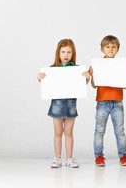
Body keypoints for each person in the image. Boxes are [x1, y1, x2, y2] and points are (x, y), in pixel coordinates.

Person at [38, 39, 90, 168]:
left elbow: (81, 86)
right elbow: (46, 85)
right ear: (58, 53)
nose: (66, 55)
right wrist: (40, 78)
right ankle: (57, 158)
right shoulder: (52, 69)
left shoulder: (76, 69)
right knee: (58, 132)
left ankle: (70, 159)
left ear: (73, 54)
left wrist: (87, 78)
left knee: (68, 132)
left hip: (71, 105)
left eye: (68, 52)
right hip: (57, 105)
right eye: (63, 52)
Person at [89, 35, 126, 167]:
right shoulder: (98, 65)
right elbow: (94, 85)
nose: (110, 49)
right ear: (102, 49)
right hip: (102, 102)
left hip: (117, 103)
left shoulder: (122, 65)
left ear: (118, 49)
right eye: (107, 47)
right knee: (99, 130)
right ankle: (98, 156)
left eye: (113, 47)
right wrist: (92, 74)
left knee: (120, 131)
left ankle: (123, 156)